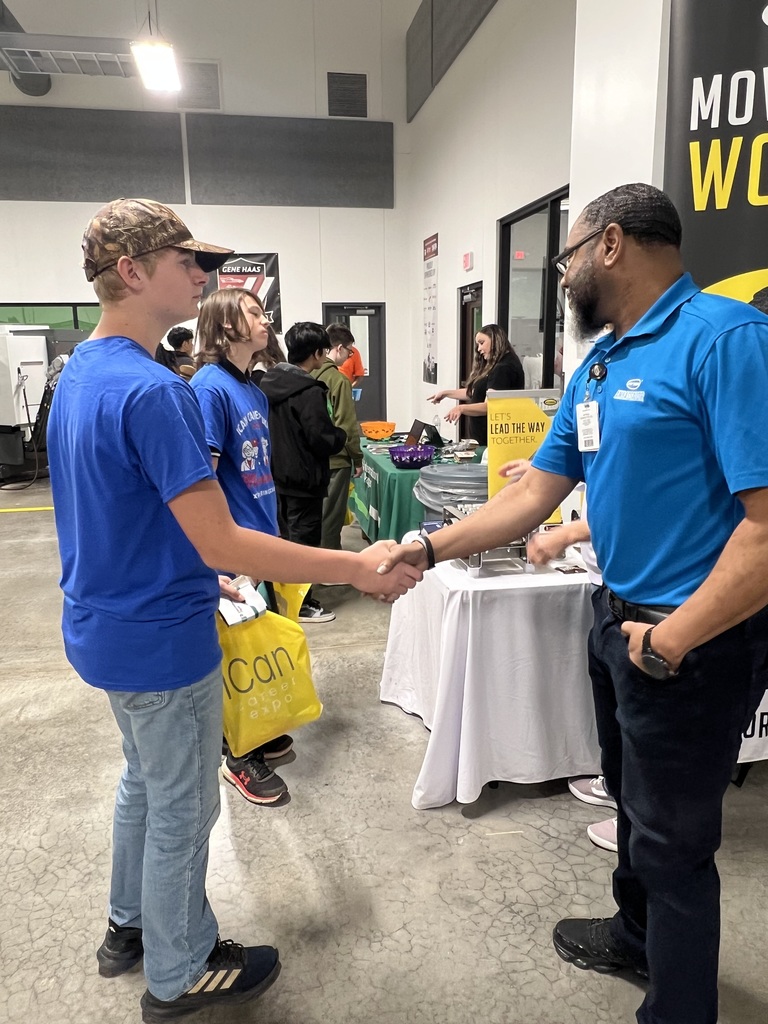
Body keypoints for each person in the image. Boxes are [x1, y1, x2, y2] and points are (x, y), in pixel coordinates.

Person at [379, 182, 768, 1024]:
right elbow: (531, 497)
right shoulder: (601, 364)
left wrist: (673, 639)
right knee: (632, 806)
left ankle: (680, 1010)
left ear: (612, 244)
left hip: (692, 641)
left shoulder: (727, 340)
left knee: (675, 844)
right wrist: (425, 549)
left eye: (568, 256)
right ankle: (636, 936)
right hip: (615, 620)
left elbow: (766, 529)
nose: (561, 275)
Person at [47, 197, 421, 1023]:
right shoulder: (156, 391)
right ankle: (179, 970)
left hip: (105, 626)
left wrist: (192, 564)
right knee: (185, 806)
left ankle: (128, 926)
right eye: (189, 262)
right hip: (160, 641)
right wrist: (356, 566)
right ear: (132, 272)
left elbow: (117, 509)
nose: (207, 277)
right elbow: (221, 538)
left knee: (144, 783)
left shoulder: (82, 373)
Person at [191, 287, 292, 807]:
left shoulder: (252, 388)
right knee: (235, 655)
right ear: (226, 325)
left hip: (260, 537)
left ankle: (256, 733)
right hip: (233, 546)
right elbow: (203, 479)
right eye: (253, 313)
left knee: (256, 648)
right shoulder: (209, 389)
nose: (264, 319)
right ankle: (237, 756)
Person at [260, 322, 347, 622]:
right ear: (317, 353)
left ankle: (284, 599)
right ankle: (303, 605)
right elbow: (321, 438)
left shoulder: (267, 382)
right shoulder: (309, 391)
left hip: (275, 475)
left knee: (284, 539)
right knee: (304, 543)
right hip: (305, 478)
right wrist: (340, 436)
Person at [427, 324, 524, 445]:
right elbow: (474, 392)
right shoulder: (497, 365)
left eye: (482, 343)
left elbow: (490, 406)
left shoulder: (503, 368)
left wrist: (461, 408)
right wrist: (445, 393)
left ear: (495, 340)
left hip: (492, 442)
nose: (479, 349)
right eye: (478, 344)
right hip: (482, 439)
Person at [312, 331, 363, 550]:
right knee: (331, 516)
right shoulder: (338, 380)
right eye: (350, 352)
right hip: (336, 458)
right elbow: (346, 425)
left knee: (315, 513)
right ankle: (330, 562)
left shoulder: (307, 375)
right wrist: (357, 458)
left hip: (310, 457)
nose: (350, 356)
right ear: (339, 348)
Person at [328, 322, 365, 386]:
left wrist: (349, 388)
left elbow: (360, 375)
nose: (349, 356)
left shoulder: (315, 369)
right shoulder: (340, 380)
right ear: (340, 348)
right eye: (349, 351)